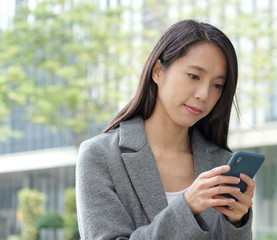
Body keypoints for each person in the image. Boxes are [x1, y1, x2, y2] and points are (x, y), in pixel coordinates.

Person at [76, 19, 254, 239]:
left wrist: (235, 223)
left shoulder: (221, 165)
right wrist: (186, 208)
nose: (204, 95)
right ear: (158, 71)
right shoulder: (101, 155)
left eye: (217, 85)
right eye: (194, 76)